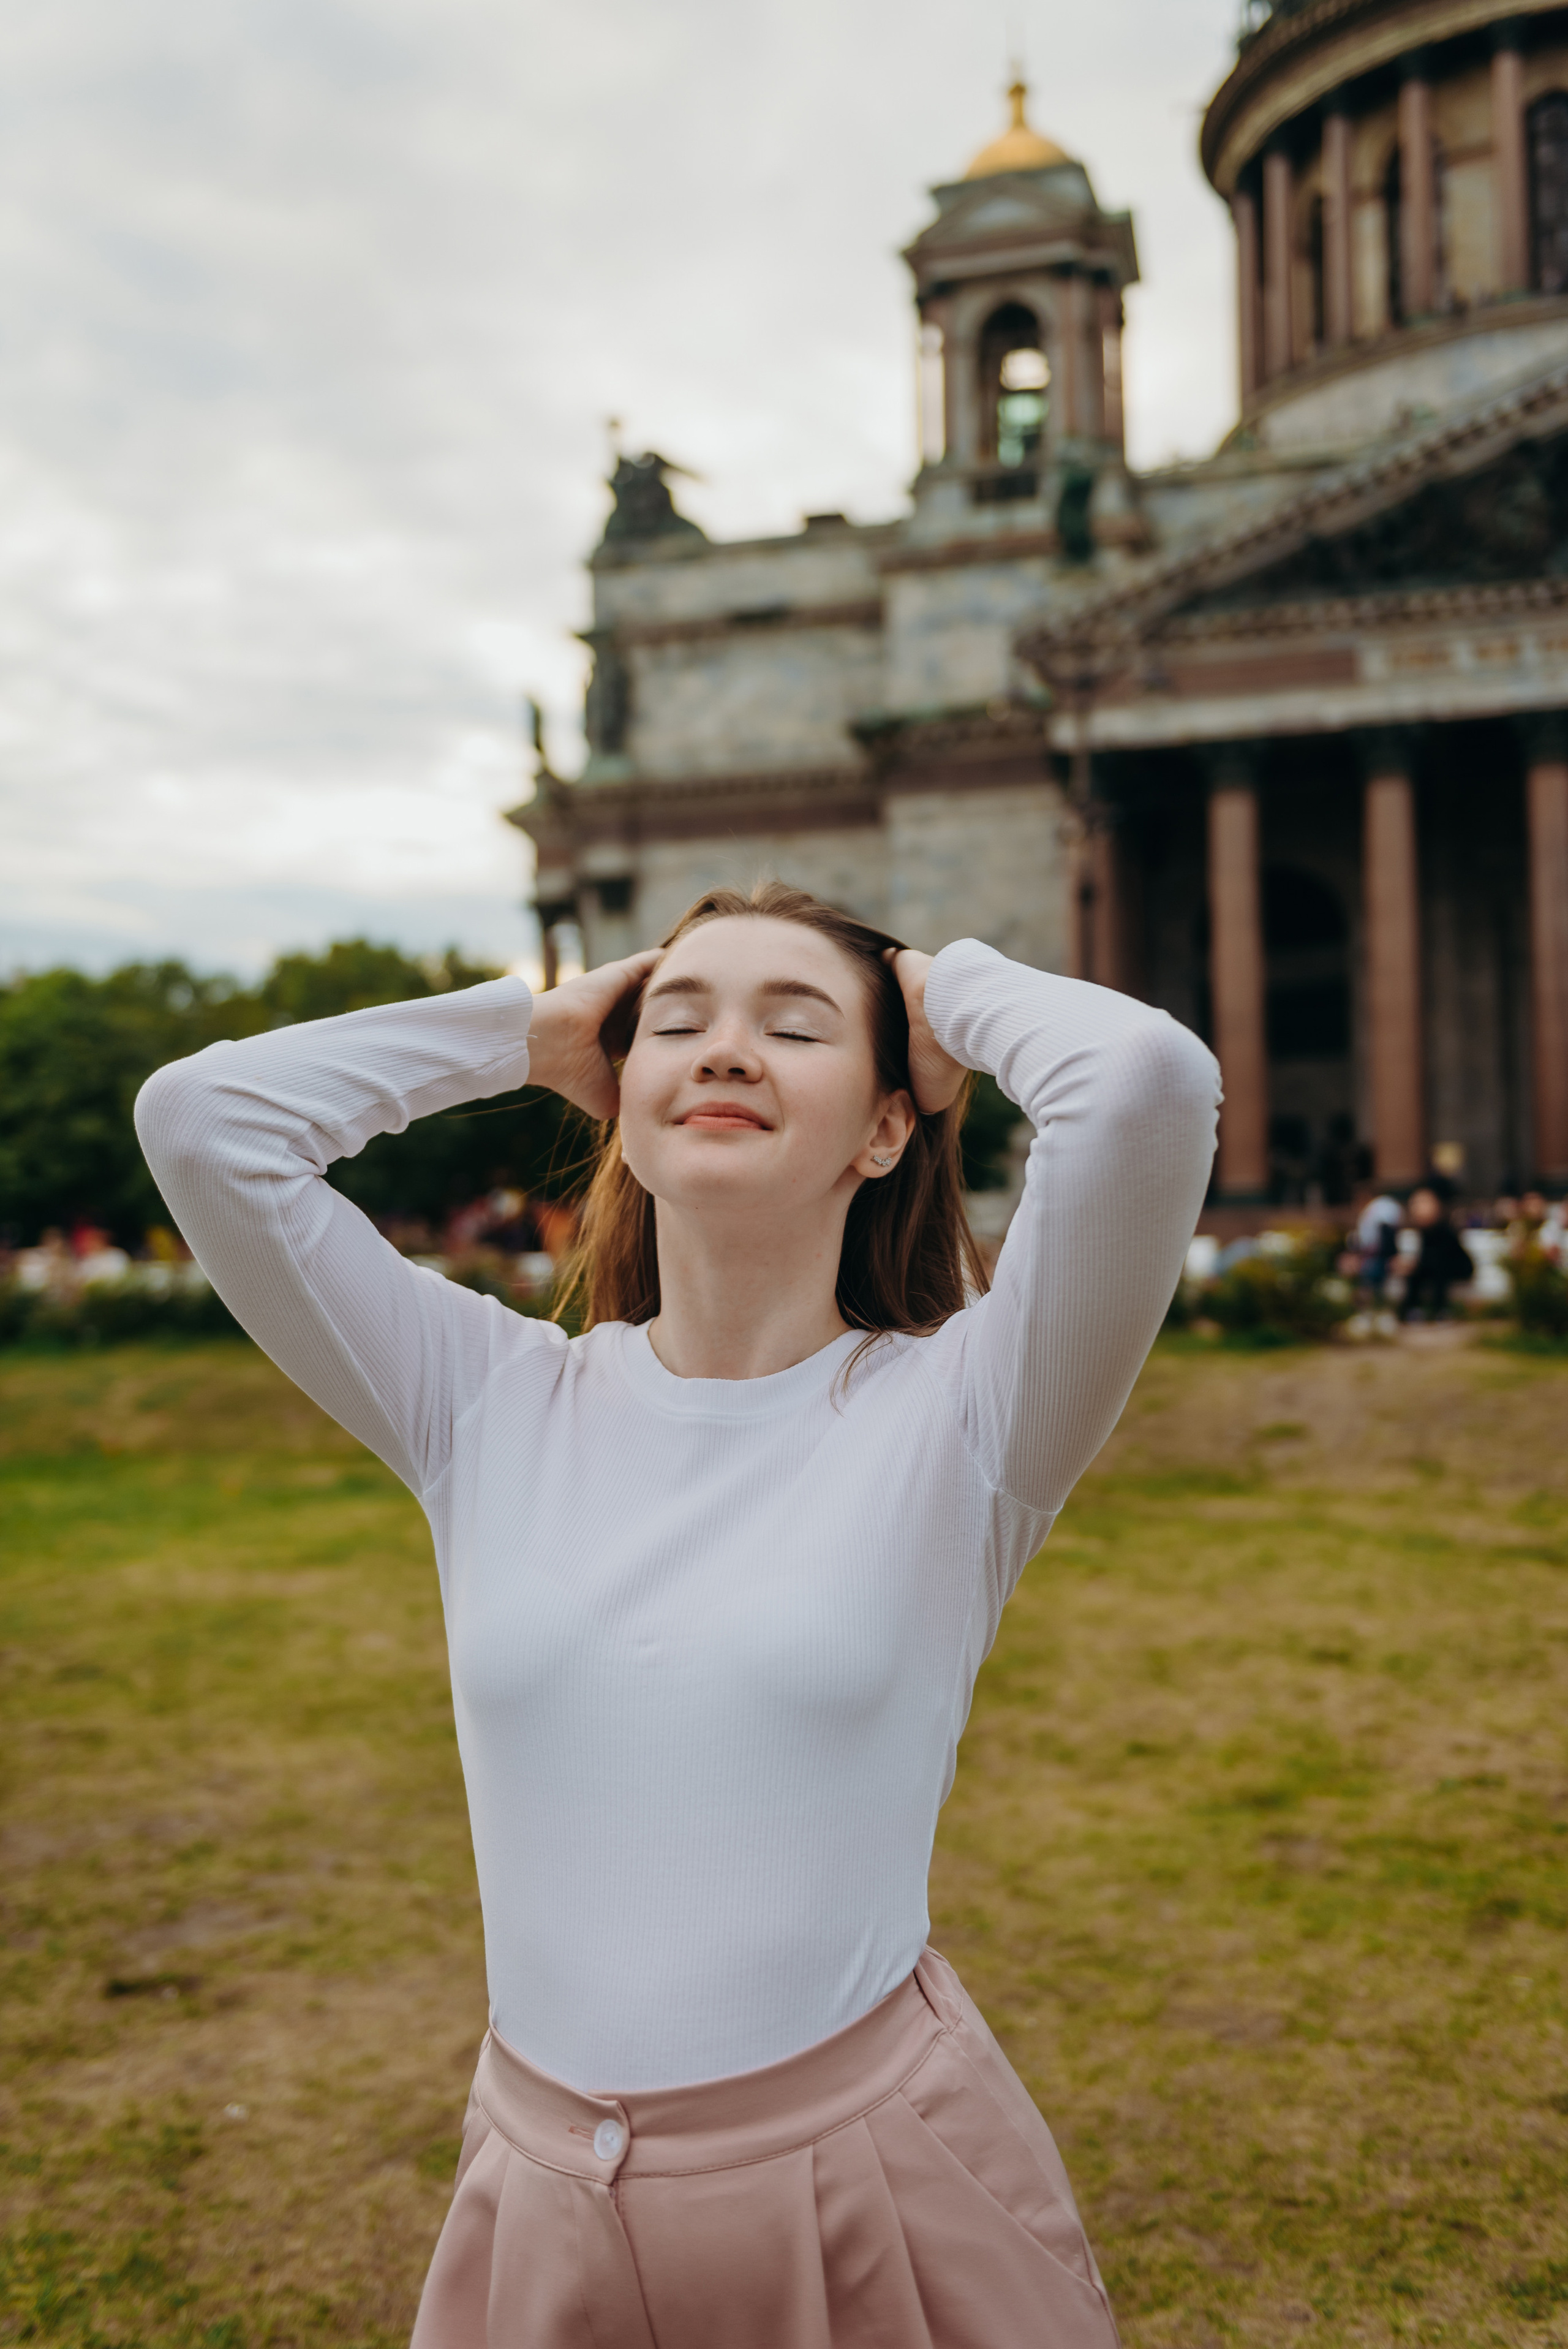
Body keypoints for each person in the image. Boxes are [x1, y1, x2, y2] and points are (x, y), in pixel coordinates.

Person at [135, 881, 1218, 2348]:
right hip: (535, 2193)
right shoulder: (484, 1397)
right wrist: (524, 1034)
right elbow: (203, 1122)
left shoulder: (970, 1411)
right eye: (676, 1020)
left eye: (795, 1023)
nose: (723, 1050)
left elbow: (1144, 1084)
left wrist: (935, 995)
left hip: (871, 2182)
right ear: (619, 1094)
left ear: (888, 1124)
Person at [1398, 1186, 1474, 1322]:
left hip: (1457, 1267)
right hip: (1435, 1268)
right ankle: (1413, 1310)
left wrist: (1417, 1264)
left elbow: (1445, 1256)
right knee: (1415, 1273)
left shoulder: (1444, 1229)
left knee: (1438, 1267)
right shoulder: (1422, 1231)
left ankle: (1441, 1310)